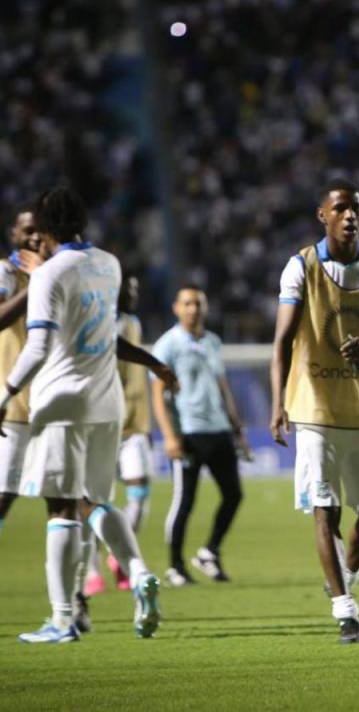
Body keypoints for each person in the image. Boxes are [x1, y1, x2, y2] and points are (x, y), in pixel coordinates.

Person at [6, 187, 172, 642]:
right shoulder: (109, 264)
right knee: (96, 500)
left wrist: (5, 393)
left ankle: (62, 619)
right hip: (107, 402)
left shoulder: (48, 275)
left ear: (43, 229)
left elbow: (38, 346)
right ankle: (138, 572)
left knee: (60, 507)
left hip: (62, 402)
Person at [270, 179, 359, 643]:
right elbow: (283, 340)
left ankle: (344, 574)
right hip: (315, 408)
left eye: (357, 209)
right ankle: (345, 608)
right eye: (341, 208)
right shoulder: (300, 267)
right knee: (324, 509)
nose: (351, 216)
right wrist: (278, 404)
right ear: (322, 215)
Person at [154, 286, 249, 586]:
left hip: (218, 430)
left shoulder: (212, 341)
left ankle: (209, 551)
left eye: (198, 303)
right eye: (187, 303)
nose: (193, 309)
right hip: (189, 434)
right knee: (184, 502)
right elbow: (158, 395)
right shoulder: (167, 345)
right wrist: (170, 436)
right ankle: (175, 566)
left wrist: (237, 429)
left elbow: (222, 387)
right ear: (176, 308)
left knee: (234, 495)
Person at [85, 274, 155, 593]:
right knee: (94, 499)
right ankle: (91, 570)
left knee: (140, 492)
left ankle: (119, 551)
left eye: (137, 289)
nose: (134, 294)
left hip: (134, 426)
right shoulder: (104, 324)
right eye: (129, 289)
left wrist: (146, 422)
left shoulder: (133, 322)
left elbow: (138, 380)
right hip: (102, 423)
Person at [0, 204, 43, 533]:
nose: (33, 236)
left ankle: (86, 575)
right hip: (12, 402)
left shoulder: (55, 271)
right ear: (14, 234)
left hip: (51, 399)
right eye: (26, 230)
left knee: (73, 494)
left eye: (38, 230)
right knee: (4, 494)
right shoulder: (5, 272)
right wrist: (37, 284)